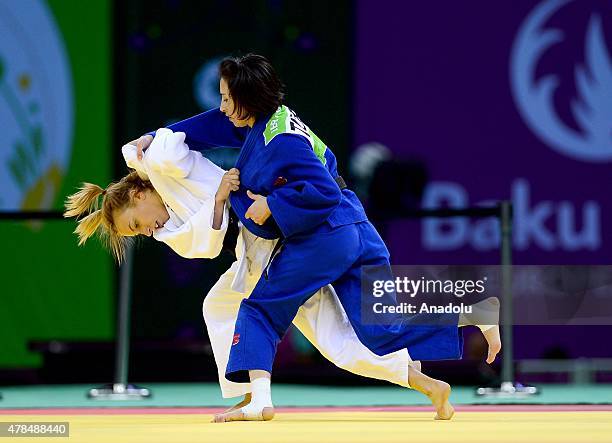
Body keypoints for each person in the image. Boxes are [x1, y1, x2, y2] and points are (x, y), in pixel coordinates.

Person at [131, 53, 501, 422]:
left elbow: (323, 192)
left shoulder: (280, 141)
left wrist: (273, 206)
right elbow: (216, 124)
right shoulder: (270, 120)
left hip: (326, 233)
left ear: (246, 99)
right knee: (381, 329)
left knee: (258, 309)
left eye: (227, 98)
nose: (223, 106)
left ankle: (258, 401)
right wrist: (157, 136)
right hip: (355, 226)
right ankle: (475, 313)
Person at [64, 127, 433, 422]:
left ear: (139, 194)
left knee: (325, 333)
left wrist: (140, 148)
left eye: (136, 223)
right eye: (136, 234)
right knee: (220, 306)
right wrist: (220, 199)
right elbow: (205, 247)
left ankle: (413, 372)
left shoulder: (161, 167)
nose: (146, 231)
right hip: (253, 250)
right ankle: (251, 394)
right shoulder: (165, 226)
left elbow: (167, 142)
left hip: (273, 240)